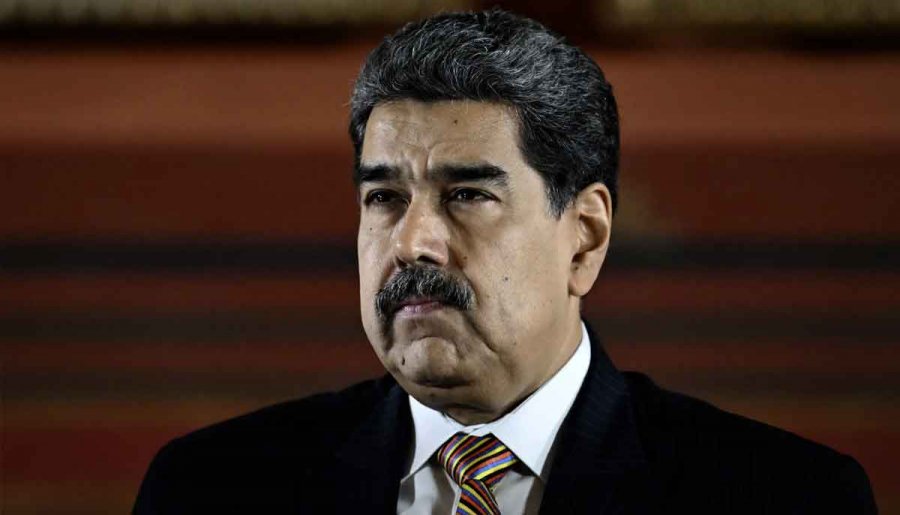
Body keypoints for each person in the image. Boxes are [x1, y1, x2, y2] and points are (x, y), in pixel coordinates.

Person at [134, 9, 877, 514]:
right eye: (384, 197)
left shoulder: (786, 496)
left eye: (466, 194)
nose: (412, 242)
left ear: (584, 236)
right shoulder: (210, 488)